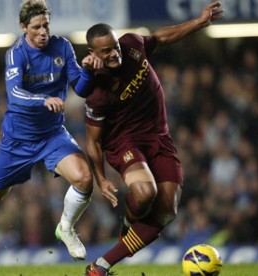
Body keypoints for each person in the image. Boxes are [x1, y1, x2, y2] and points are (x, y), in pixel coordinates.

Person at [82, 2, 224, 275]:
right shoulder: (98, 92)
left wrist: (199, 22)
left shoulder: (133, 44)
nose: (115, 53)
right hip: (125, 143)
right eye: (106, 51)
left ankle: (99, 267)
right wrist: (100, 178)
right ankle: (129, 220)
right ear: (93, 53)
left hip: (159, 137)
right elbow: (93, 141)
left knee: (167, 210)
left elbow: (161, 37)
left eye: (115, 46)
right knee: (146, 193)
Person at [0, 0, 101, 261]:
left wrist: (88, 71)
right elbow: (15, 94)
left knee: (85, 178)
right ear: (23, 28)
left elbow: (81, 88)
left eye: (46, 25)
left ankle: (66, 228)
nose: (43, 32)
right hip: (18, 139)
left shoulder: (62, 47)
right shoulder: (16, 54)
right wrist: (43, 100)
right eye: (36, 27)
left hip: (52, 135)